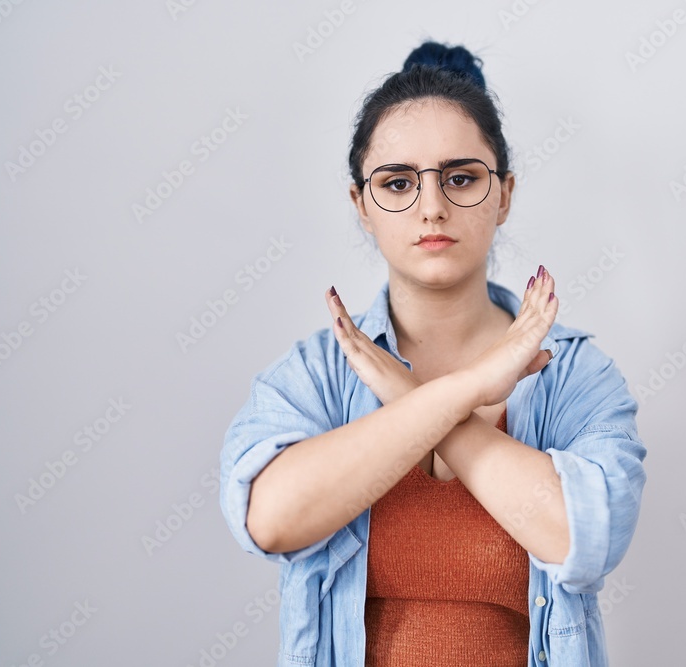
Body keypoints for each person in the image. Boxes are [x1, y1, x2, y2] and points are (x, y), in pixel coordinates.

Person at [219, 40, 647, 666]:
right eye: (396, 183)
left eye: (461, 178)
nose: (431, 206)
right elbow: (271, 520)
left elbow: (584, 537)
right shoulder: (320, 370)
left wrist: (416, 399)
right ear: (361, 205)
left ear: (503, 194)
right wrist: (461, 393)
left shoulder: (573, 373)